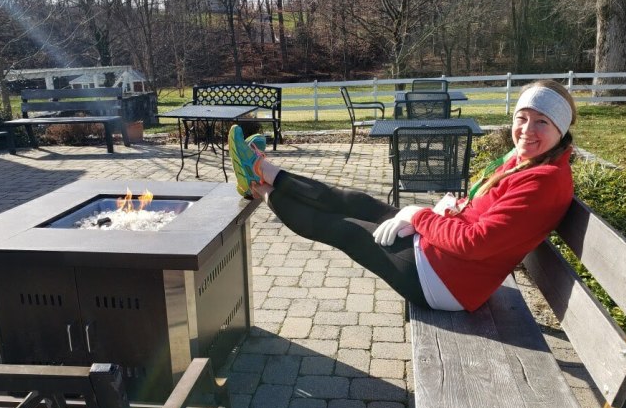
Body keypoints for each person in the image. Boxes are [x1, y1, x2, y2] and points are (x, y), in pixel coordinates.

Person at [227, 80, 577, 312]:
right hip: (444, 257)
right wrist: (448, 209)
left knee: (346, 230)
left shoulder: (543, 181)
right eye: (522, 118)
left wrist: (418, 216)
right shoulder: (528, 161)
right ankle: (263, 169)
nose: (527, 130)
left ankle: (258, 186)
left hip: (446, 282)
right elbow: (483, 214)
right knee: (356, 201)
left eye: (541, 122)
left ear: (560, 128)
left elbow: (476, 243)